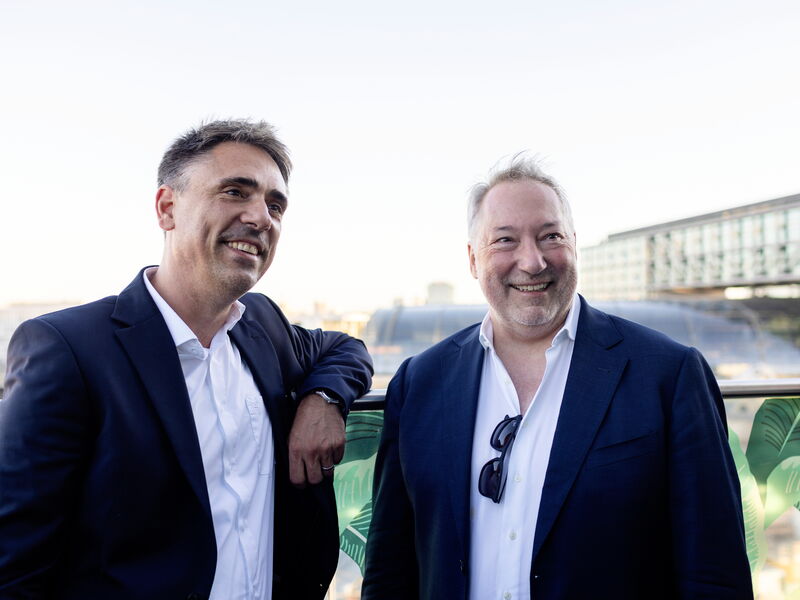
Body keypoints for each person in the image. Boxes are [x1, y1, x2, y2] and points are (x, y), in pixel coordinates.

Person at [0, 119, 372, 599]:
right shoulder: (67, 348)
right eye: (235, 192)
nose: (262, 217)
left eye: (275, 205)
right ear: (167, 208)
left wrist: (323, 398)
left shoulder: (265, 327)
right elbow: (15, 561)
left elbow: (346, 349)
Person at [362, 155, 752, 599]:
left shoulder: (668, 374)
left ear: (574, 246)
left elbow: (714, 573)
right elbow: (389, 568)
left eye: (550, 236)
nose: (532, 261)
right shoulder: (419, 383)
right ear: (473, 259)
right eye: (505, 240)